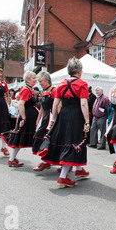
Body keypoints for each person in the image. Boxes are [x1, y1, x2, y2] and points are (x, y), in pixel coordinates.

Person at [38, 57, 90, 187]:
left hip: (63, 115)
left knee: (67, 140)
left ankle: (79, 169)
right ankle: (62, 177)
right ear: (79, 72)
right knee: (73, 141)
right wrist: (87, 121)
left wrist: (54, 118)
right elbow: (83, 104)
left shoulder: (61, 84)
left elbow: (55, 103)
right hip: (76, 115)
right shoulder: (82, 84)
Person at [1, 71, 39, 167]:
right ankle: (11, 159)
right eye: (33, 78)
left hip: (30, 116)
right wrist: (23, 118)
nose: (35, 80)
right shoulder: (26, 90)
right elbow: (21, 104)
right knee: (20, 137)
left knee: (21, 138)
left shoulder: (30, 89)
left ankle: (12, 159)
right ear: (27, 79)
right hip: (27, 117)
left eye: (35, 78)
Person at [32, 71, 57, 171]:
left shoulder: (54, 91)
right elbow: (42, 107)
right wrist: (38, 120)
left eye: (41, 81)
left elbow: (58, 105)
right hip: (45, 118)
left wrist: (56, 120)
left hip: (52, 117)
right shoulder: (44, 92)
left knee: (50, 140)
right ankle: (46, 161)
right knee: (42, 138)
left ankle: (46, 162)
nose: (40, 83)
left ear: (47, 80)